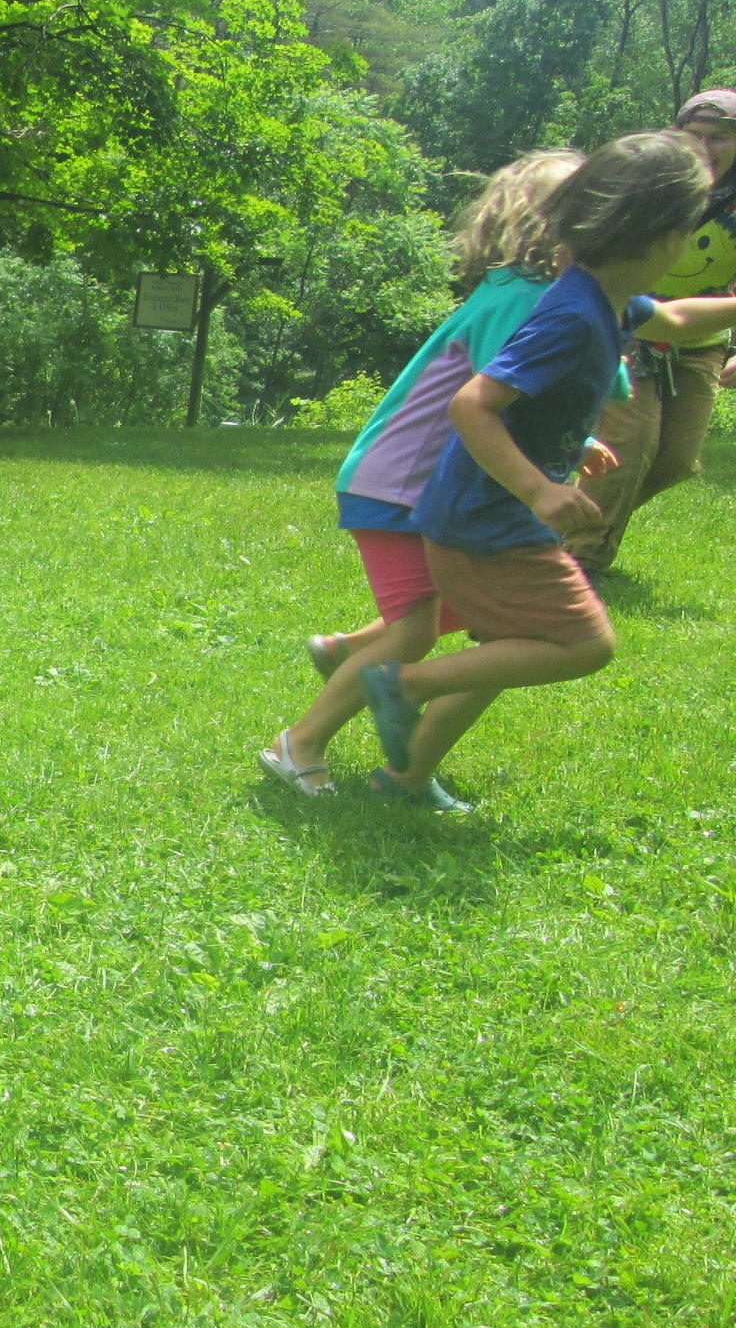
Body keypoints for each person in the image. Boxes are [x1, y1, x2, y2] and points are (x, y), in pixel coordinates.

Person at [357, 132, 729, 804]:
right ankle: (402, 683)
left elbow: (675, 320)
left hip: (476, 513)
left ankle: (404, 776)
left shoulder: (600, 294)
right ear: (666, 240)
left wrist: (568, 444)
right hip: (487, 517)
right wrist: (538, 489)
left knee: (511, 645)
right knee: (586, 644)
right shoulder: (574, 316)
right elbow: (473, 405)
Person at [258, 151, 587, 805]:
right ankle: (299, 744)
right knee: (416, 630)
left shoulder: (523, 292)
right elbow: (497, 396)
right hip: (400, 483)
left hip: (431, 485)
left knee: (471, 609)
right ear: (552, 228)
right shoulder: (524, 298)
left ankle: (349, 653)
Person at [565, 89, 736, 574]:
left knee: (676, 460)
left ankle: (556, 528)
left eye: (720, 137)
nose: (706, 147)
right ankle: (578, 563)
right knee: (629, 447)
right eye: (695, 134)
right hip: (629, 326)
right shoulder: (650, 184)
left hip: (700, 342)